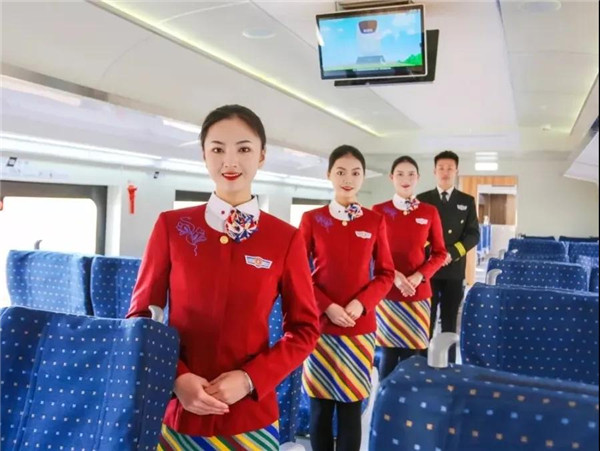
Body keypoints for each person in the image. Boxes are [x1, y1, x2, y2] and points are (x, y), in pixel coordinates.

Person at [126, 105, 320, 450]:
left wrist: (249, 379)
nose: (230, 161)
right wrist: (177, 377)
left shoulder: (285, 238)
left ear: (261, 156)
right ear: (204, 155)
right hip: (180, 412)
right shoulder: (171, 227)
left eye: (243, 149)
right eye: (217, 149)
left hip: (251, 415)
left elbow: (305, 330)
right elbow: (140, 317)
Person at [299, 145, 394, 451]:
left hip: (359, 327)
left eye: (355, 173)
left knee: (352, 407)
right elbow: (297, 274)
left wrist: (361, 303)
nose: (347, 179)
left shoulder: (374, 221)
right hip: (320, 327)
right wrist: (326, 305)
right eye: (340, 172)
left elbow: (386, 274)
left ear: (363, 177)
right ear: (329, 174)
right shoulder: (312, 219)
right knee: (320, 408)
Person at [372, 156, 446, 380]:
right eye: (400, 174)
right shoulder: (379, 211)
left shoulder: (429, 212)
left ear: (418, 178)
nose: (406, 179)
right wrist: (393, 275)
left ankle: (408, 399)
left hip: (418, 293)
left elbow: (440, 253)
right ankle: (385, 397)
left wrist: (420, 275)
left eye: (411, 174)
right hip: (388, 292)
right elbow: (371, 252)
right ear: (391, 177)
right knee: (388, 354)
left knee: (413, 356)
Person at [417, 150, 480, 362]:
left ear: (456, 171)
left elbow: (473, 235)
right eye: (441, 168)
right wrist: (437, 254)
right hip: (428, 269)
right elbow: (417, 233)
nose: (445, 172)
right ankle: (423, 363)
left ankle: (450, 364)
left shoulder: (466, 201)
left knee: (450, 321)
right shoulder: (423, 200)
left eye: (450, 168)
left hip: (454, 269)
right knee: (426, 319)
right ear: (434, 171)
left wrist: (451, 253)